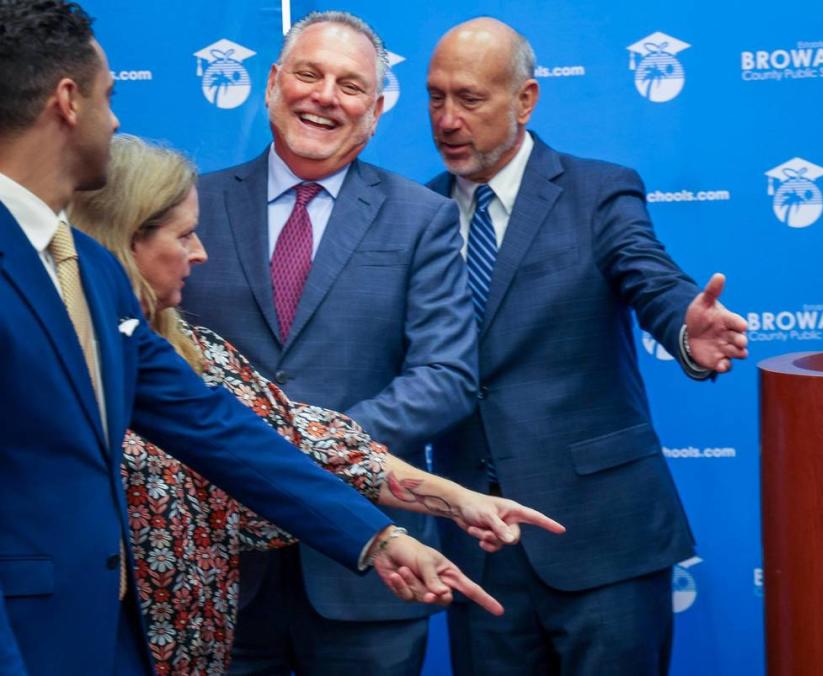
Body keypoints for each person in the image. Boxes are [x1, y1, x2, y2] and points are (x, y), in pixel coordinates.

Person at [0, 3, 496, 673]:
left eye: (349, 84)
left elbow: (216, 424)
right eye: (108, 95)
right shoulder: (93, 252)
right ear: (67, 102)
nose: (116, 120)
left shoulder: (84, 267)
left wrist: (375, 539)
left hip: (116, 636)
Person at [68, 133, 563, 675]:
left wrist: (444, 504)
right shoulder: (63, 347)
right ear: (127, 239)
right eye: (185, 235)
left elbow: (289, 436)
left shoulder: (186, 349)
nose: (202, 252)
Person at [425, 17, 750, 676]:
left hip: (603, 538)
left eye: (470, 98)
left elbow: (648, 275)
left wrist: (686, 331)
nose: (448, 120)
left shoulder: (599, 191)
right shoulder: (414, 212)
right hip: (480, 544)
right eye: (436, 97)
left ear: (525, 100)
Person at [180, 11, 478, 675]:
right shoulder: (189, 206)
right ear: (272, 83)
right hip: (222, 565)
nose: (323, 96)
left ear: (374, 112)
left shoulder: (422, 219)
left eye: (349, 86)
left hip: (366, 569)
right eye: (309, 74)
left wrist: (313, 444)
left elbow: (446, 374)